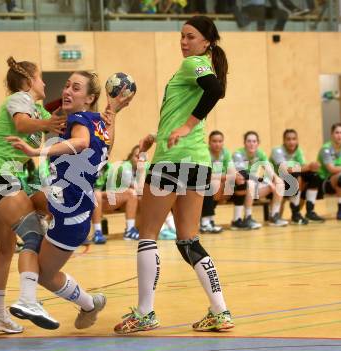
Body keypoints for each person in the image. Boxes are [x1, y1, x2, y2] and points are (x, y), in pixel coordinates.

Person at [114, 16, 234, 334]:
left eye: (190, 37)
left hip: (172, 161)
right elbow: (186, 106)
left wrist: (188, 126)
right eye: (181, 36)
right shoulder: (199, 64)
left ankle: (144, 313)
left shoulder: (193, 63)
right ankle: (220, 311)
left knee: (148, 233)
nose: (184, 42)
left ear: (206, 42)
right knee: (188, 240)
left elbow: (215, 91)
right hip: (197, 161)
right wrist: (157, 134)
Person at [7, 71, 133, 330]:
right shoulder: (96, 120)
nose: (67, 91)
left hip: (71, 215)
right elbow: (106, 147)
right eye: (66, 85)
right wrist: (113, 112)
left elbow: (82, 141)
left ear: (89, 98)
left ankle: (89, 304)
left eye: (76, 88)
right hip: (71, 208)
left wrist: (36, 150)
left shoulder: (78, 119)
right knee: (29, 208)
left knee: (44, 274)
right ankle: (82, 303)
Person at [0, 56, 67, 334]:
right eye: (41, 78)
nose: (45, 83)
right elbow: (22, 124)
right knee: (33, 233)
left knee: (6, 247)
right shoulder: (19, 99)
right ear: (30, 81)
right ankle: (28, 300)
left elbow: (60, 118)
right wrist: (46, 125)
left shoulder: (40, 111)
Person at [232, 131, 288, 229]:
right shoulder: (238, 154)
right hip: (238, 188)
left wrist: (275, 178)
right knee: (250, 183)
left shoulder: (260, 153)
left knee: (279, 183)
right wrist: (265, 181)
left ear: (258, 143)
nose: (251, 144)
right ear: (244, 143)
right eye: (249, 141)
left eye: (254, 141)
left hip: (254, 186)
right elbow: (243, 174)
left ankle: (274, 216)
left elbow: (269, 170)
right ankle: (248, 217)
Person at [270, 129, 325, 224]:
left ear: (297, 140)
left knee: (314, 175)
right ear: (284, 141)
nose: (291, 142)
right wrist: (308, 166)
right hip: (276, 182)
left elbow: (303, 167)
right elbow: (284, 169)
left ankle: (310, 212)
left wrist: (312, 167)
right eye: (288, 139)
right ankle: (295, 213)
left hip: (292, 181)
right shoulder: (277, 151)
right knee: (295, 175)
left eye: (294, 139)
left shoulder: (298, 151)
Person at [317, 123, 341, 220]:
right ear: (332, 134)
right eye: (337, 132)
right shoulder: (326, 149)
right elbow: (332, 169)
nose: (339, 135)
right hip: (326, 182)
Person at [200, 130, 233, 233]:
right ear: (209, 142)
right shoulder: (205, 153)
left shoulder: (226, 153)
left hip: (219, 185)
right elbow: (206, 176)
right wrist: (224, 177)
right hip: (201, 184)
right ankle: (206, 222)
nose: (217, 144)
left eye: (220, 141)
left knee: (235, 185)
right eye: (214, 141)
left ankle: (209, 221)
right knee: (212, 185)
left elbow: (232, 172)